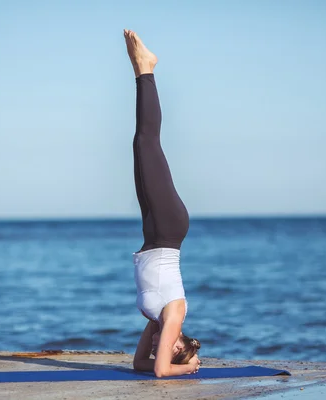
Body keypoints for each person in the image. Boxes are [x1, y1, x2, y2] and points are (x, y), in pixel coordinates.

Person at [124, 29, 201, 378]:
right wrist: (189, 368)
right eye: (172, 349)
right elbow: (158, 372)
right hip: (168, 230)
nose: (161, 346)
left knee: (140, 145)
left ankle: (143, 72)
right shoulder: (174, 315)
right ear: (180, 342)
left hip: (155, 233)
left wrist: (161, 353)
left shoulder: (156, 321)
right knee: (147, 143)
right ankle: (146, 70)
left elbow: (141, 365)